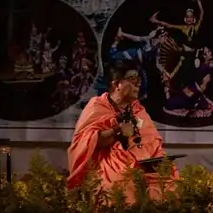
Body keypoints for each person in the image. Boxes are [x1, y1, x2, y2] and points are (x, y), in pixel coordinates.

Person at [67, 60, 177, 203]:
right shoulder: (97, 106)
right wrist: (117, 130)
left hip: (145, 165)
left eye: (139, 79)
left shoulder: (138, 110)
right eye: (133, 79)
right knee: (123, 183)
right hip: (109, 164)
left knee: (171, 181)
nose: (138, 84)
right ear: (117, 84)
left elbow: (153, 141)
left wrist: (159, 160)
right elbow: (86, 141)